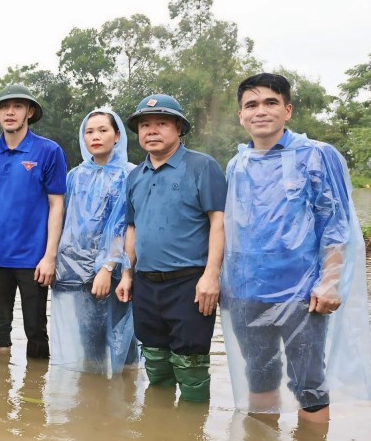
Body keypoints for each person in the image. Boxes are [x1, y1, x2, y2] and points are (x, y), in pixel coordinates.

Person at [222, 73, 371, 423]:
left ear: (287, 110)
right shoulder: (237, 165)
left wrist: (329, 282)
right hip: (247, 291)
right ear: (241, 116)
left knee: (309, 385)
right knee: (259, 374)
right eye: (251, 105)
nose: (261, 111)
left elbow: (335, 224)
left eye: (271, 102)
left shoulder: (318, 156)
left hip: (303, 294)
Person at [115, 94, 226, 403]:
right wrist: (127, 274)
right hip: (146, 284)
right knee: (156, 361)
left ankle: (191, 439)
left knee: (190, 365)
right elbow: (132, 227)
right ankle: (158, 433)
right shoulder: (135, 176)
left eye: (161, 123)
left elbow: (219, 222)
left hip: (190, 282)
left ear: (179, 128)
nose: (152, 131)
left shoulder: (202, 166)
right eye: (145, 125)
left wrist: (211, 276)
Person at [0, 84, 67, 359]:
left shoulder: (49, 151)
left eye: (17, 106)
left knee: (36, 329)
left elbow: (56, 205)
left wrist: (50, 256)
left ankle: (34, 396)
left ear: (30, 111)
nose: (10, 112)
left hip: (34, 261)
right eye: (4, 107)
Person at [51, 108, 138, 375]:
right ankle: (93, 402)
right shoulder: (75, 176)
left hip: (115, 272)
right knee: (89, 341)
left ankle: (125, 402)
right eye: (89, 132)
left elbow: (123, 225)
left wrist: (107, 267)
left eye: (103, 130)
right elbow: (67, 223)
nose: (95, 137)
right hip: (75, 272)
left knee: (123, 341)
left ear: (117, 136)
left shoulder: (130, 174)